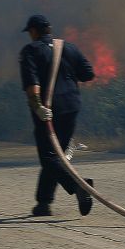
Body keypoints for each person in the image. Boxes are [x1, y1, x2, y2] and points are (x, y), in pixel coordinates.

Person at [18, 14, 96, 217]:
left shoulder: (30, 51)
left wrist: (38, 107)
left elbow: (32, 84)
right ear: (49, 30)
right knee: (55, 156)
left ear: (34, 31)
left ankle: (80, 186)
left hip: (48, 110)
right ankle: (43, 203)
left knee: (49, 157)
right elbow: (88, 74)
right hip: (71, 106)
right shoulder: (69, 47)